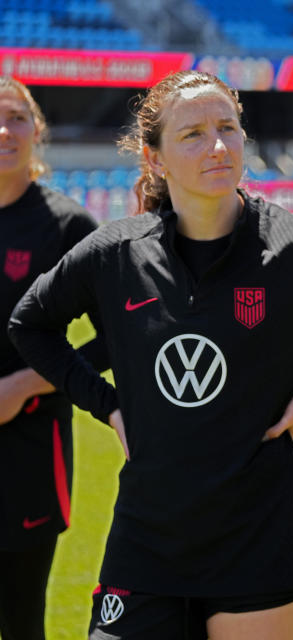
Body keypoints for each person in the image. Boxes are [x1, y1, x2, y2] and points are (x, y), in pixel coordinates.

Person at [8, 71, 293, 640]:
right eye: (193, 133)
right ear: (155, 158)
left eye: (228, 127)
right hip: (147, 545)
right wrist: (107, 405)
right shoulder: (115, 252)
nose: (218, 145)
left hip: (263, 545)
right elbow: (30, 324)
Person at [0, 76, 104, 640]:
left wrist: (22, 385)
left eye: (17, 117)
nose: (4, 130)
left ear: (36, 129)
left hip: (30, 447)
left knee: (21, 617)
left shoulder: (66, 225)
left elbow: (115, 336)